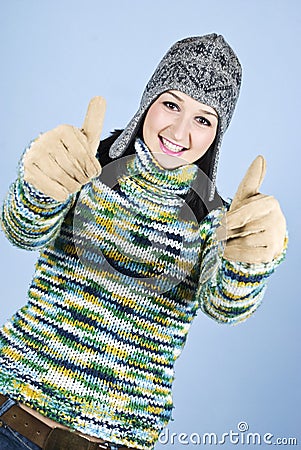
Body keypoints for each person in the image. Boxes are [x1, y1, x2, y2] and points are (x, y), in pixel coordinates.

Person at [0, 33, 287, 450]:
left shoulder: (217, 220)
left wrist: (249, 263)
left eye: (203, 119)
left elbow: (225, 307)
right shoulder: (87, 162)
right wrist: (40, 185)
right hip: (11, 414)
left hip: (112, 442)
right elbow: (22, 231)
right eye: (172, 104)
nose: (180, 131)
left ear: (217, 134)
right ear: (149, 100)